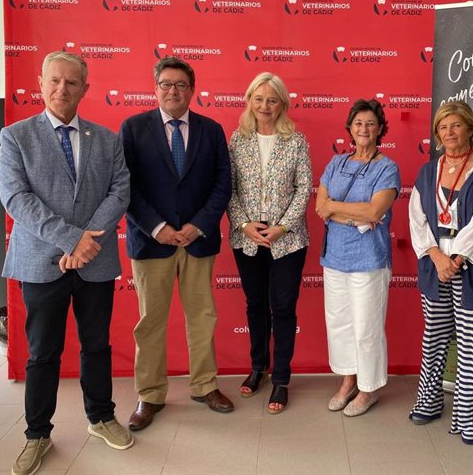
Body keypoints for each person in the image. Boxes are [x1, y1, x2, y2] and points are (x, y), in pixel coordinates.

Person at [0, 51, 132, 475]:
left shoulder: (107, 140)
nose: (62, 89)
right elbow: (17, 198)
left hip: (94, 263)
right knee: (43, 353)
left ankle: (101, 417)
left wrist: (86, 243)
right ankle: (37, 433)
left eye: (72, 83)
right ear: (40, 83)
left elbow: (120, 192)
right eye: (54, 81)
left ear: (85, 89)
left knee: (96, 346)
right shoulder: (15, 136)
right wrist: (73, 238)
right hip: (41, 262)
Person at [120, 57, 233, 431]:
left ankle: (204, 386)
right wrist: (158, 227)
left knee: (202, 317)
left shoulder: (211, 130)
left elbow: (222, 185)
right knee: (151, 320)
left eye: (181, 85)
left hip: (198, 241)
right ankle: (150, 394)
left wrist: (198, 226)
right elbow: (127, 188)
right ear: (155, 88)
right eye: (166, 84)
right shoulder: (133, 129)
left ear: (192, 90)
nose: (173, 91)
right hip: (152, 242)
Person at [408, 101, 473, 444]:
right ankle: (429, 402)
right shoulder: (427, 172)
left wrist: (456, 258)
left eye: (456, 126)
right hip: (435, 264)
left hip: (470, 265)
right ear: (436, 134)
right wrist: (435, 254)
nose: (449, 133)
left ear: (470, 129)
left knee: (471, 343)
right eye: (443, 127)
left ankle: (472, 417)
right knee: (433, 338)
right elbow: (417, 216)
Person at [227, 72, 312, 414]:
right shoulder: (237, 140)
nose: (264, 106)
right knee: (255, 305)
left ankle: (281, 377)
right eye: (258, 99)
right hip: (246, 238)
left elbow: (305, 188)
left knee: (283, 308)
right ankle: (258, 366)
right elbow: (228, 189)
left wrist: (281, 227)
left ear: (282, 104)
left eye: (272, 99)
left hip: (287, 241)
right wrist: (245, 224)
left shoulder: (296, 140)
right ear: (249, 101)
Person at [316, 98, 401, 417]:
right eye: (358, 123)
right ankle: (348, 380)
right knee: (339, 324)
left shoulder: (386, 166)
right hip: (334, 257)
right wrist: (354, 216)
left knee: (366, 326)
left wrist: (337, 208)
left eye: (370, 123)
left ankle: (369, 388)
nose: (364, 128)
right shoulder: (336, 163)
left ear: (380, 129)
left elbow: (376, 210)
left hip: (369, 259)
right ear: (349, 129)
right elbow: (320, 206)